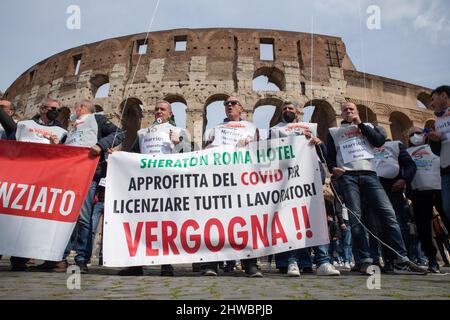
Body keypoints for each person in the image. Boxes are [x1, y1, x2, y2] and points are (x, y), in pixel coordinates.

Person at [326, 102, 426, 275]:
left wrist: (360, 125)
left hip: (370, 174)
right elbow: (330, 155)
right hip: (348, 176)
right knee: (356, 218)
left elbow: (379, 141)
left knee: (388, 214)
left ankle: (400, 258)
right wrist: (332, 168)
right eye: (345, 110)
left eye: (351, 109)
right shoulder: (334, 132)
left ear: (357, 112)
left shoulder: (370, 127)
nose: (348, 111)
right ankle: (365, 260)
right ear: (340, 114)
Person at [32, 99, 124, 273]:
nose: (74, 109)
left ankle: (81, 259)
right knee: (63, 216)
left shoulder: (97, 120)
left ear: (82, 108)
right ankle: (59, 258)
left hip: (88, 173)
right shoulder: (74, 127)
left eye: (76, 107)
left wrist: (100, 145)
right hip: (68, 174)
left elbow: (119, 134)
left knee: (82, 218)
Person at [118, 100, 191, 277]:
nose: (159, 112)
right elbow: (133, 154)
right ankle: (137, 264)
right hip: (146, 182)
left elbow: (189, 155)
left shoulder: (181, 132)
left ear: (170, 114)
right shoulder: (143, 133)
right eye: (156, 109)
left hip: (168, 183)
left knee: (167, 223)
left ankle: (166, 264)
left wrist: (178, 143)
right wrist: (118, 157)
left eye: (163, 109)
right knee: (143, 223)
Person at [269, 101, 340, 277]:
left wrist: (317, 141)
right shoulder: (276, 129)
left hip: (311, 171)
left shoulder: (309, 127)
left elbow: (321, 152)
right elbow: (270, 151)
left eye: (290, 109)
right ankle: (293, 260)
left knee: (316, 216)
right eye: (284, 109)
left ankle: (323, 261)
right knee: (291, 218)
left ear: (298, 112)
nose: (287, 111)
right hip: (289, 175)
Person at [0, 97, 68, 271]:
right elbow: (11, 141)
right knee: (10, 214)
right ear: (43, 109)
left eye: (58, 110)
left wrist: (57, 145)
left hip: (43, 178)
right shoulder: (25, 124)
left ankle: (19, 260)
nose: (56, 112)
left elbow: (66, 153)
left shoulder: (60, 130)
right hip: (21, 175)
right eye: (53, 108)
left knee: (29, 220)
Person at [203, 96, 261, 277]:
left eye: (233, 103)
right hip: (219, 177)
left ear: (241, 108)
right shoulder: (216, 129)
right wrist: (209, 149)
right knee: (216, 221)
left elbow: (262, 152)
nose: (229, 105)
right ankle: (211, 264)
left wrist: (252, 146)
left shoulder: (252, 128)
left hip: (243, 177)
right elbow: (204, 150)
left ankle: (251, 264)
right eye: (226, 103)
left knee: (247, 220)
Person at [373, 130, 417, 270]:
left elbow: (410, 165)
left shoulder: (395, 144)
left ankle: (406, 259)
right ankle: (389, 261)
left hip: (393, 187)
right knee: (380, 226)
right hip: (375, 188)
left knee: (397, 223)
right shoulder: (368, 147)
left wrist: (404, 180)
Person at [406, 127, 445, 273]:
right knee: (424, 229)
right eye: (412, 134)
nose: (415, 136)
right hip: (419, 192)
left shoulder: (434, 147)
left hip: (440, 188)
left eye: (418, 133)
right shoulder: (406, 152)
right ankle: (432, 259)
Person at [429, 85, 450, 225]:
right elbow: (438, 151)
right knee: (447, 209)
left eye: (433, 99)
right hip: (446, 169)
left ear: (443, 95)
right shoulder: (438, 121)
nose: (431, 103)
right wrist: (434, 141)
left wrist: (442, 136)